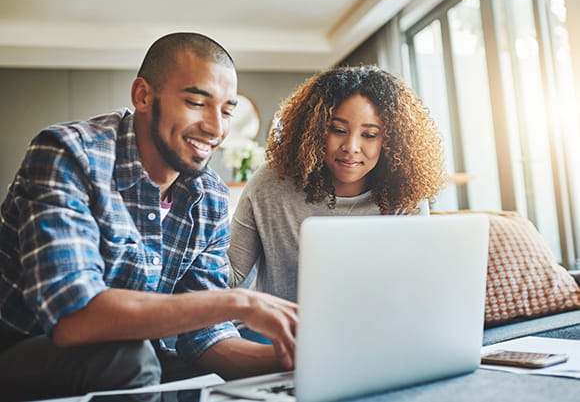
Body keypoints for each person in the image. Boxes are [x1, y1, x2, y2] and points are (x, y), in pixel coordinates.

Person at [0, 32, 297, 401]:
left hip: (130, 358)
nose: (217, 129)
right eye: (196, 102)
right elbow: (73, 317)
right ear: (143, 95)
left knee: (193, 369)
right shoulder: (69, 155)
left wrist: (298, 360)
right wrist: (239, 301)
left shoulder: (210, 198)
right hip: (21, 353)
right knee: (133, 358)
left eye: (226, 111)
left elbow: (205, 337)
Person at [228, 65, 446, 303]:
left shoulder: (405, 195)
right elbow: (232, 275)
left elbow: (414, 285)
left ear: (391, 141)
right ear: (315, 129)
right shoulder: (272, 182)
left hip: (378, 329)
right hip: (283, 334)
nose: (351, 146)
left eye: (370, 135)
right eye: (338, 130)